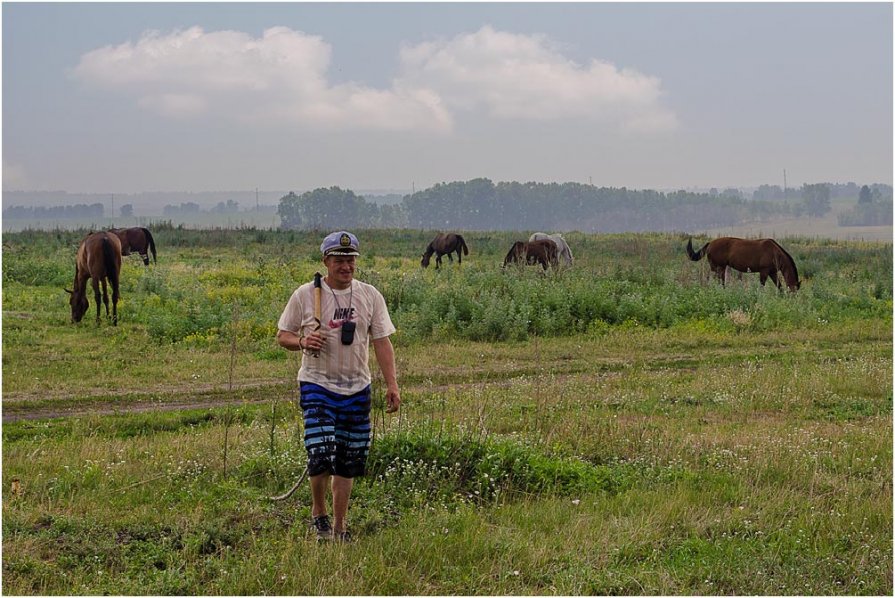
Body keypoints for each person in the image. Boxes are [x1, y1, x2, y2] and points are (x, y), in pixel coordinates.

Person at [276, 231, 400, 542]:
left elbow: (382, 342)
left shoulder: (370, 295)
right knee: (320, 454)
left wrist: (392, 384)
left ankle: (340, 526)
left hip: (358, 387)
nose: (346, 266)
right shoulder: (305, 295)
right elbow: (283, 336)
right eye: (339, 260)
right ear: (326, 262)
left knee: (348, 461)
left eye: (351, 260)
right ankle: (319, 515)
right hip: (317, 384)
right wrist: (303, 340)